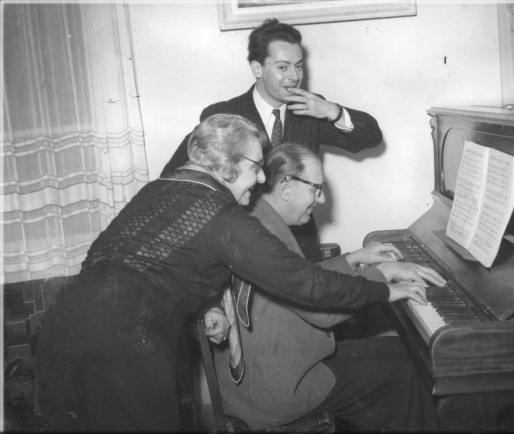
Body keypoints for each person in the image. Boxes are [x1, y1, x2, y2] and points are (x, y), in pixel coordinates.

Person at [34, 114, 424, 431]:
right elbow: (306, 284)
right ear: (226, 165)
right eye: (255, 167)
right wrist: (384, 292)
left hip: (62, 329)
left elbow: (138, 264)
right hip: (122, 351)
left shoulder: (159, 188)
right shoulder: (221, 215)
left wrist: (205, 306)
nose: (259, 178)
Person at [209, 143, 444, 431]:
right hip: (278, 391)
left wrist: (354, 259)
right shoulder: (269, 231)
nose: (320, 200)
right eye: (315, 189)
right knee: (403, 371)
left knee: (397, 349)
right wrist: (383, 275)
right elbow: (321, 309)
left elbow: (303, 278)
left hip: (256, 378)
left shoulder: (257, 217)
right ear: (285, 188)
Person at [161, 18, 383, 263]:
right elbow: (176, 177)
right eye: (283, 67)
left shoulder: (312, 109)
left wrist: (332, 111)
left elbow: (370, 136)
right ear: (258, 68)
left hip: (299, 243)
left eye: (299, 66)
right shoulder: (222, 114)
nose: (294, 76)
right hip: (240, 247)